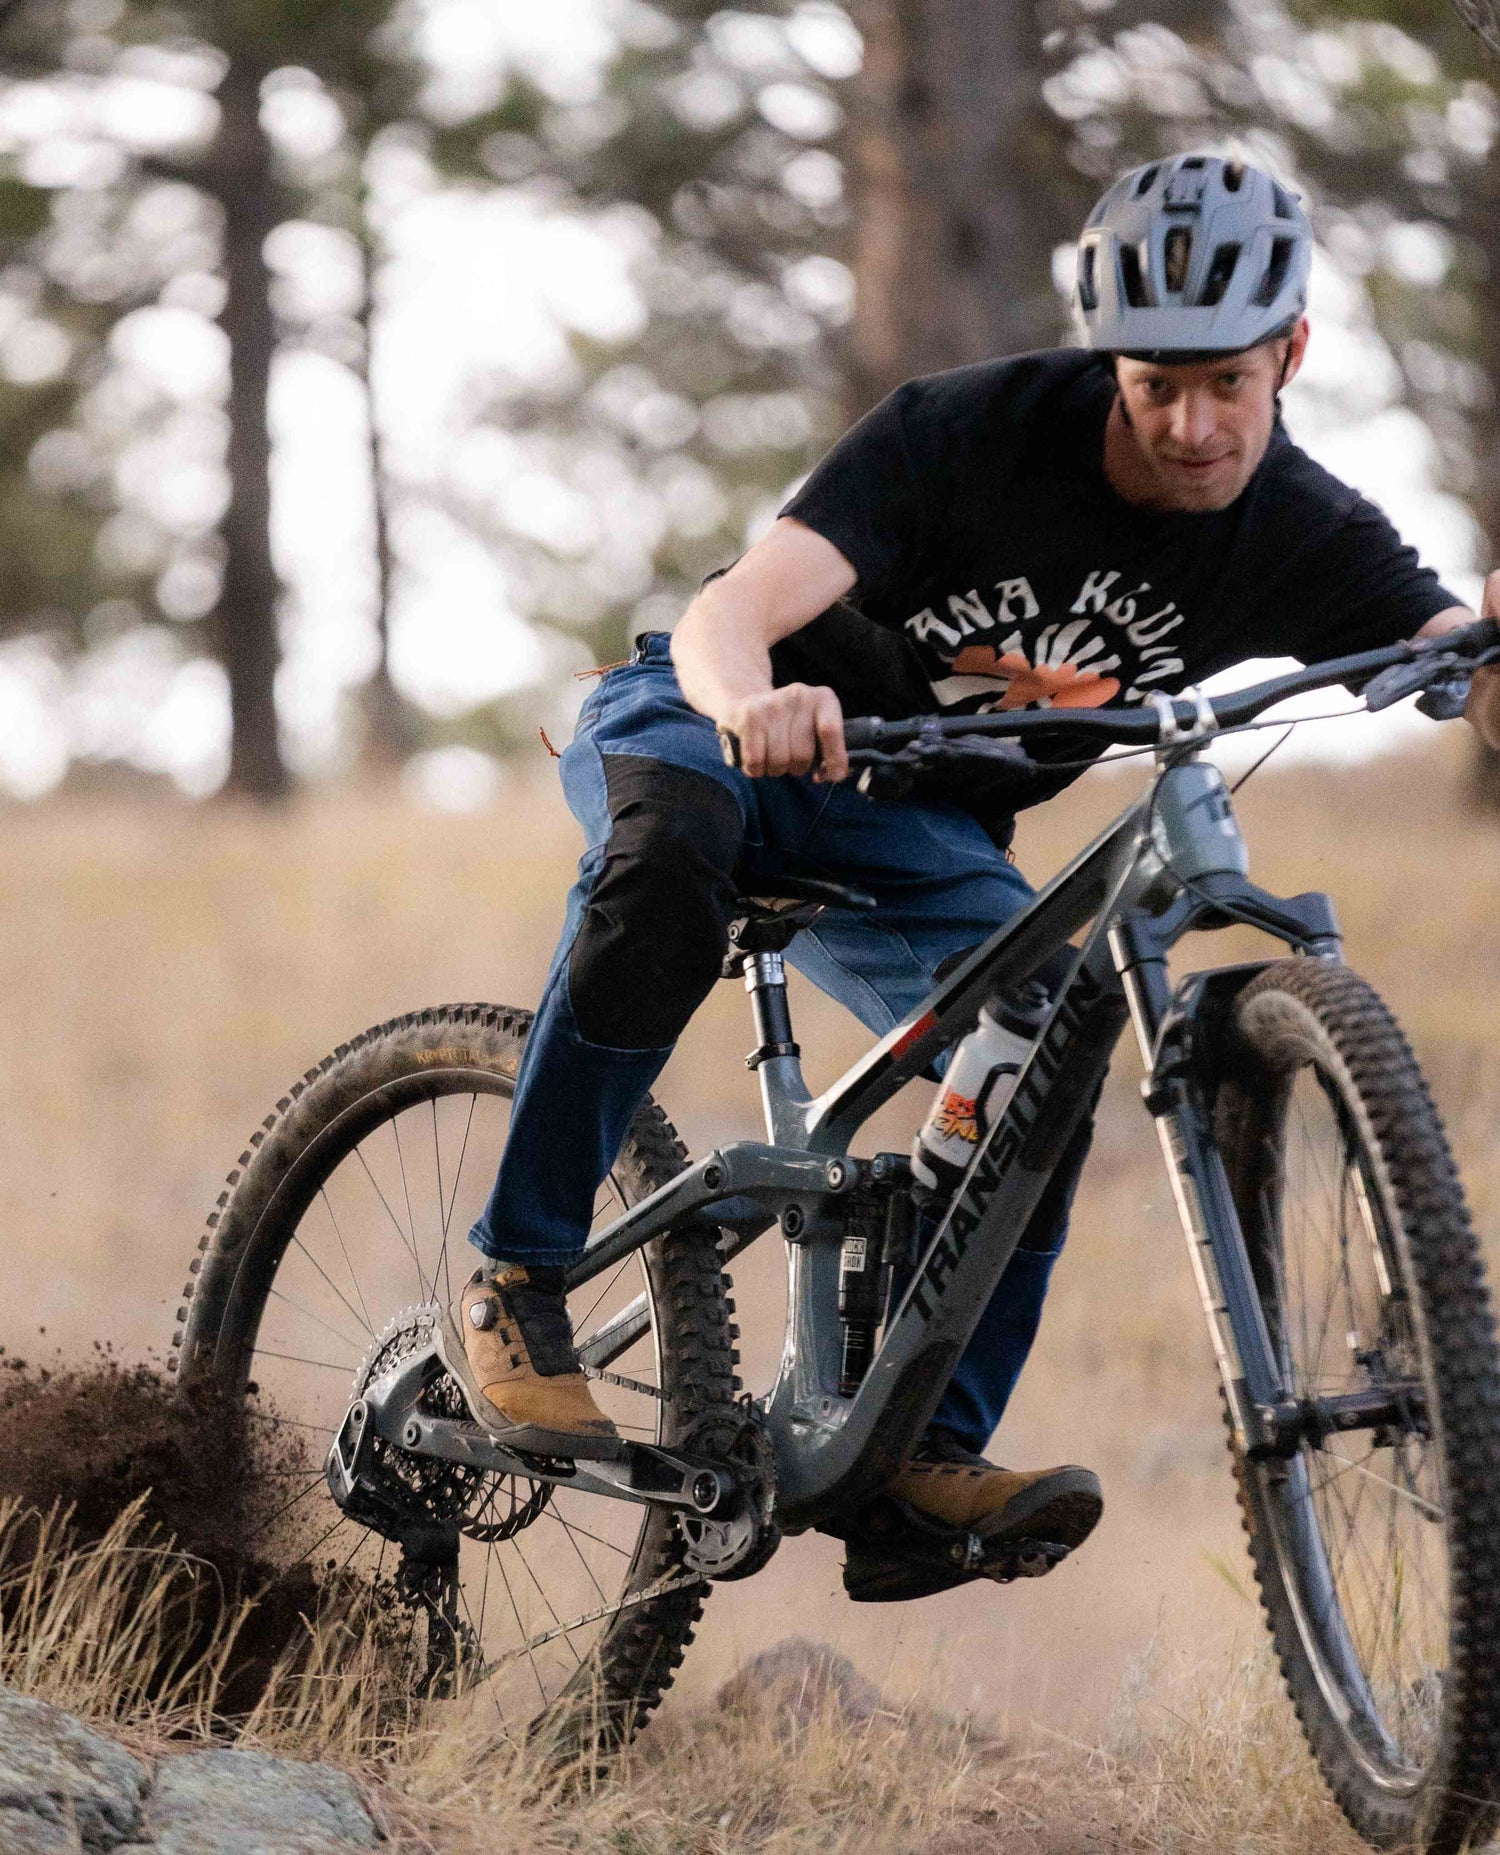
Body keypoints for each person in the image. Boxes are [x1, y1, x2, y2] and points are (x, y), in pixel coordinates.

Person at [435, 152, 1500, 1599]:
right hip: (713, 732)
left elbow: (1447, 665)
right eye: (1154, 388)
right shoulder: (964, 432)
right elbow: (735, 608)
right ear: (1106, 362)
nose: (1192, 427)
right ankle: (517, 1275)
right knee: (669, 855)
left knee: (1050, 1019)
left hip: (913, 834)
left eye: (1229, 388)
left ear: (1292, 355)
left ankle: (915, 1454)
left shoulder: (1297, 526)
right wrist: (754, 699)